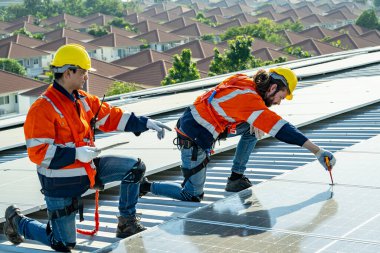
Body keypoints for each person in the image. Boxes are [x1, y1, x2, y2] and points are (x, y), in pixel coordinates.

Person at [3, 44, 171, 252]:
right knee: (64, 244)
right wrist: (76, 153)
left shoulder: (82, 99)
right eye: (83, 72)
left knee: (134, 168)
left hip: (87, 170)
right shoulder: (42, 108)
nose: (86, 77)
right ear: (68, 72)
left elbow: (111, 117)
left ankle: (126, 223)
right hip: (60, 183)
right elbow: (39, 154)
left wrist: (144, 123)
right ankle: (17, 221)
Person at [140, 67, 336, 202]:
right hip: (194, 137)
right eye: (280, 97)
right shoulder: (249, 101)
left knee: (254, 127)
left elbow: (225, 105)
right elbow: (282, 128)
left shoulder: (245, 81)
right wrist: (317, 151)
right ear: (273, 87)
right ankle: (144, 186)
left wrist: (252, 120)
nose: (278, 102)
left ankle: (235, 178)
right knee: (191, 195)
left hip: (207, 125)